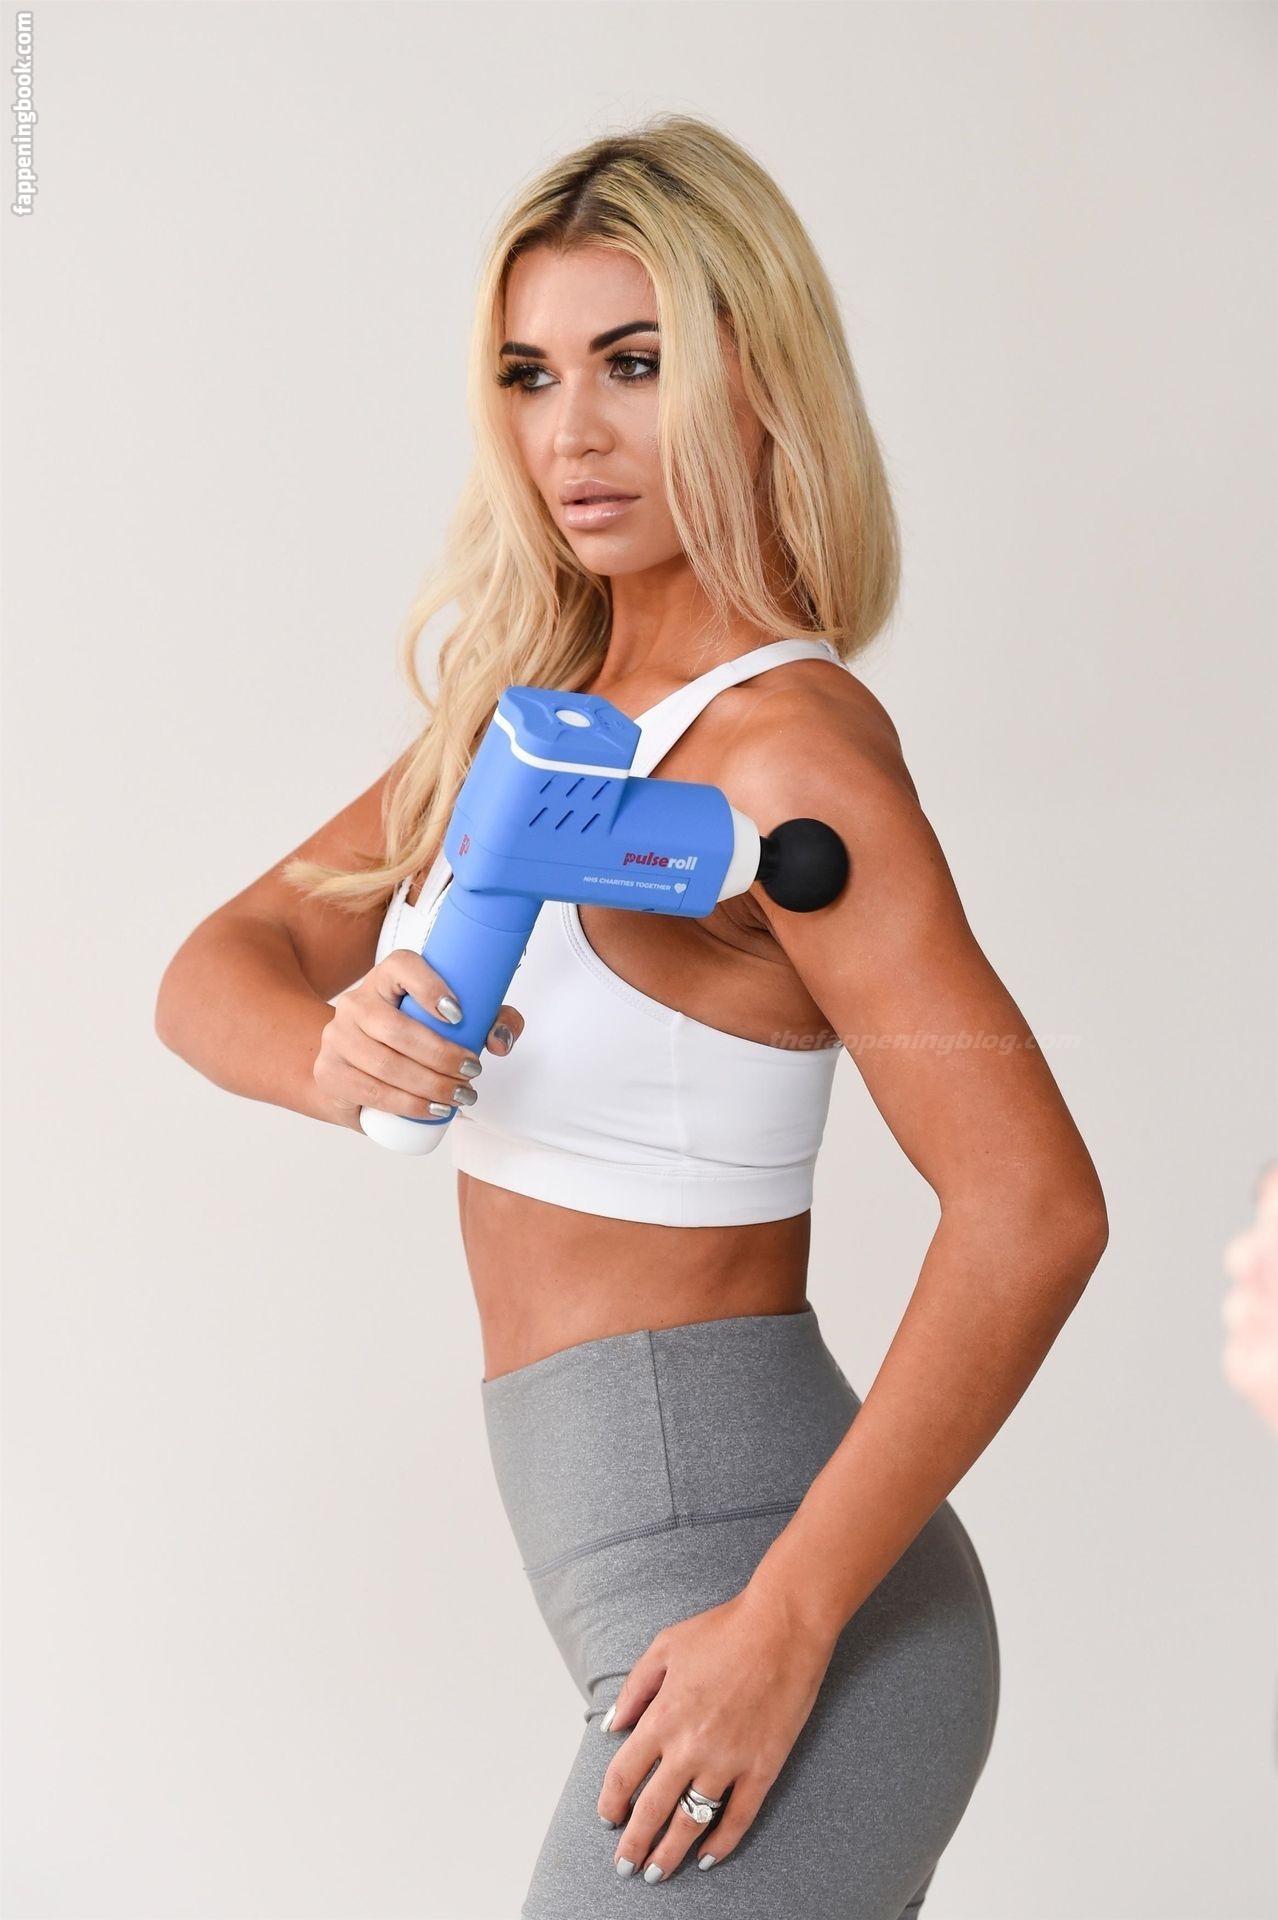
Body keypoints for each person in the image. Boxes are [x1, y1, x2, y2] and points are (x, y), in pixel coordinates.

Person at [155, 113, 1109, 1919]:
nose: (571, 433)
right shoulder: (534, 719)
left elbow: (1033, 1206)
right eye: (529, 375)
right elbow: (219, 961)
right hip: (657, 1587)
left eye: (635, 362)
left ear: (758, 377)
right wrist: (330, 1051)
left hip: (784, 1615)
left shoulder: (788, 760)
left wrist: (786, 1622)